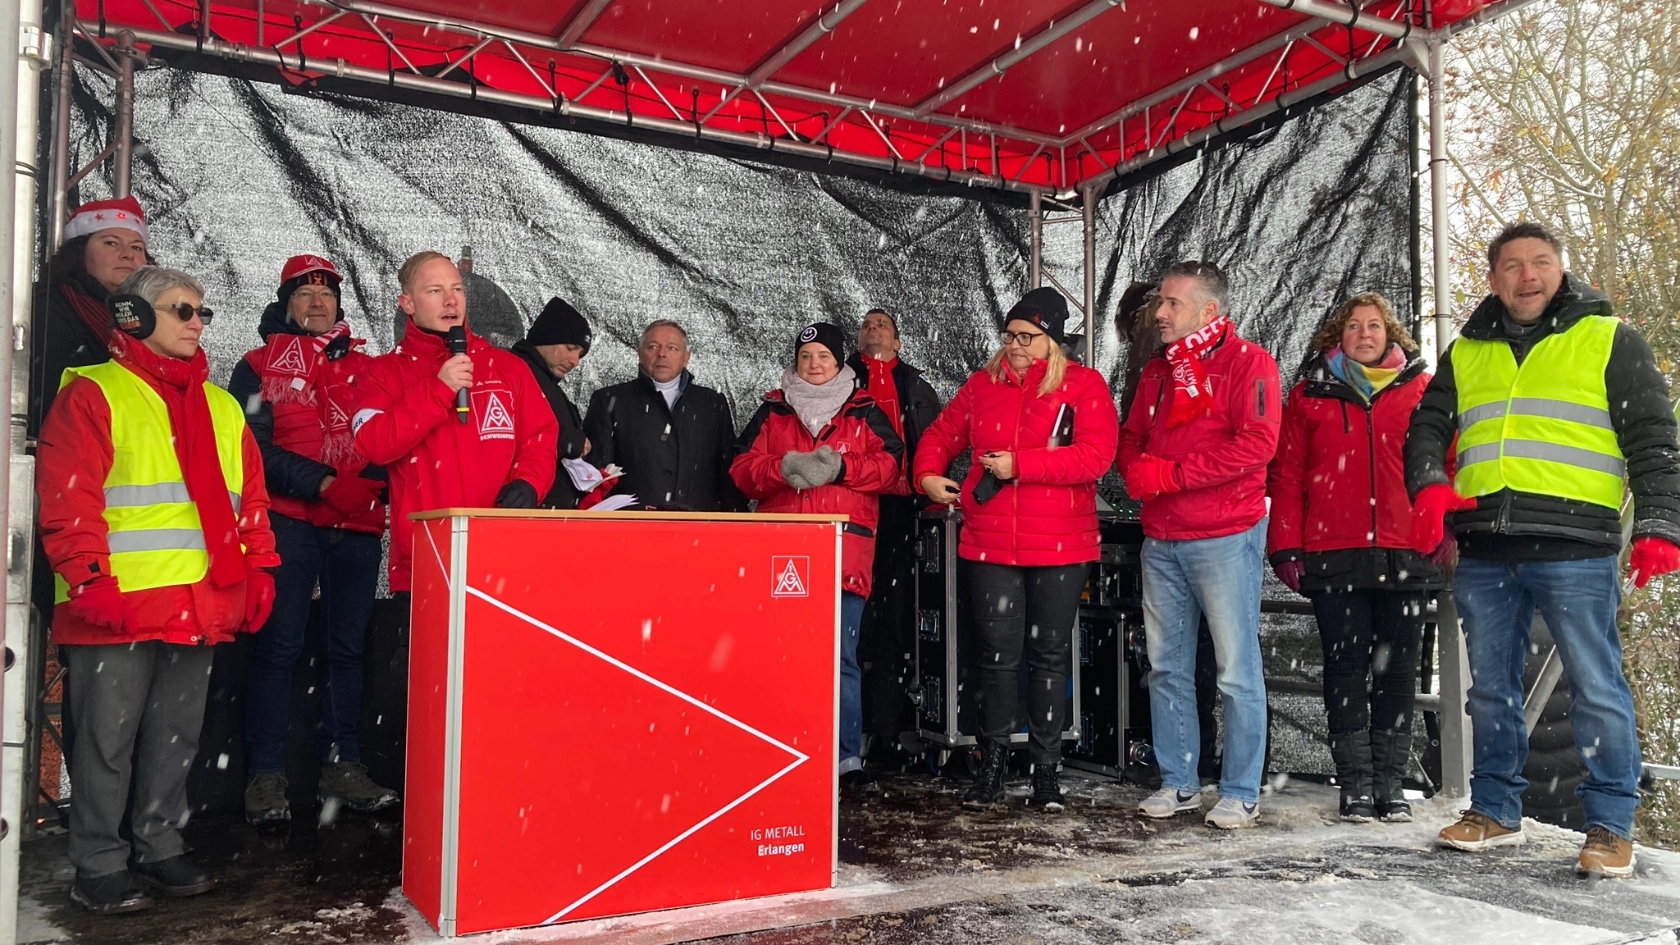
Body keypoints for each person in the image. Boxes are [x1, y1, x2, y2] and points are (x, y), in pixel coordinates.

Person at [1405, 222, 1680, 877]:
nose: (1527, 276)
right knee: (1489, 691)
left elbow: (1653, 436)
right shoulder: (1466, 351)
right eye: (1511, 265)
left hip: (1576, 546)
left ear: (1561, 269)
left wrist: (1660, 524)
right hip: (1485, 549)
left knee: (1597, 686)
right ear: (1494, 278)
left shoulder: (1610, 338)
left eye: (1540, 262)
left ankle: (1611, 825)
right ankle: (1494, 810)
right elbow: (1427, 426)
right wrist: (1429, 486)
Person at [38, 266, 279, 914]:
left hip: (199, 602)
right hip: (117, 603)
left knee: (176, 737)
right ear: (135, 317)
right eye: (183, 310)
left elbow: (249, 502)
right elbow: (69, 495)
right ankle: (97, 862)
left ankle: (158, 845)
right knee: (104, 742)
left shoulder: (224, 408)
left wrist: (261, 570)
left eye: (202, 312)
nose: (198, 322)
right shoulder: (94, 393)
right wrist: (88, 579)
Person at [914, 288, 1119, 812]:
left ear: (1052, 341)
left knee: (1049, 660)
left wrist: (1021, 466)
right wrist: (928, 474)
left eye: (1027, 336)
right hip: (990, 545)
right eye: (1010, 335)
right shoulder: (984, 384)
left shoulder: (1085, 386)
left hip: (1059, 545)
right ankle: (993, 765)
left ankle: (1047, 773)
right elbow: (941, 432)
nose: (1016, 345)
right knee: (996, 660)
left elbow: (1095, 458)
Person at [229, 255, 395, 826]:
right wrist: (323, 483)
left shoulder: (370, 367)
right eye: (305, 292)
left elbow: (391, 440)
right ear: (285, 302)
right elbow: (252, 448)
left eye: (326, 292)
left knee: (347, 650)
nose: (317, 301)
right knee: (280, 647)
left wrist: (370, 487)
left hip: (356, 527)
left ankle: (341, 764)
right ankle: (266, 774)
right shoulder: (255, 366)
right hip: (290, 522)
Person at [1267, 292, 1443, 824]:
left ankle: (1391, 786)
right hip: (1334, 551)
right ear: (1336, 338)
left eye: (1374, 325)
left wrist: (1442, 529)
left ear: (1391, 335)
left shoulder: (1422, 391)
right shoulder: (1307, 396)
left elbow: (1444, 463)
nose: (1364, 334)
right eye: (1352, 327)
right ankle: (1356, 786)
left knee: (1398, 673)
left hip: (1405, 551)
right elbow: (1288, 475)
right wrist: (1286, 546)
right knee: (1345, 669)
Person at [1117, 261, 1280, 830]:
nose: (1159, 313)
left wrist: (1169, 476)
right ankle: (1179, 782)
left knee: (1236, 671)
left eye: (1172, 304)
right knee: (1166, 667)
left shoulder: (1250, 364)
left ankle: (1240, 790)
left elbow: (1256, 446)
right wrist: (1138, 470)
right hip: (1162, 537)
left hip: (1224, 535)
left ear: (1210, 311)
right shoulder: (1159, 372)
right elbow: (1131, 439)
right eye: (1160, 303)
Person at [732, 323, 904, 790]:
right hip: (785, 558)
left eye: (823, 356)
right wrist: (781, 469)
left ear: (839, 362)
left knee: (841, 659)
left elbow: (891, 467)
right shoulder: (772, 410)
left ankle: (847, 758)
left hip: (844, 553)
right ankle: (785, 752)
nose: (813, 364)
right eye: (805, 356)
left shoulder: (864, 410)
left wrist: (843, 466)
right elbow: (741, 469)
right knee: (781, 659)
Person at [351, 250, 558, 598]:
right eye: (435, 291)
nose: (450, 300)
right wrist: (438, 389)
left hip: (499, 559)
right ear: (408, 303)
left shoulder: (506, 368)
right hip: (426, 562)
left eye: (457, 289)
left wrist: (529, 483)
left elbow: (540, 437)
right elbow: (373, 443)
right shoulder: (381, 374)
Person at [844, 308, 942, 761]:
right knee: (852, 616)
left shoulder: (916, 386)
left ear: (899, 342)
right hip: (856, 504)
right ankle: (851, 727)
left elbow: (936, 442)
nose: (874, 328)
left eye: (883, 324)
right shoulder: (840, 379)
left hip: (902, 508)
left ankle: (887, 727)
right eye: (866, 324)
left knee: (896, 617)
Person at [584, 320, 746, 511]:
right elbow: (598, 474)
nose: (662, 354)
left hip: (699, 526)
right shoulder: (610, 400)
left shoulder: (712, 403)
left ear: (686, 357)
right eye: (653, 347)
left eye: (672, 348)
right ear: (639, 353)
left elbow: (726, 473)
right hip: (630, 527)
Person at [30, 196, 153, 433]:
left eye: (137, 247)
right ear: (78, 253)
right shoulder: (47, 306)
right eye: (111, 243)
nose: (128, 254)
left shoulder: (157, 316)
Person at [509, 297, 593, 508]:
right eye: (570, 347)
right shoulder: (519, 372)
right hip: (528, 504)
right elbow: (515, 429)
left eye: (580, 354)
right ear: (547, 337)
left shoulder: (543, 378)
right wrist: (571, 442)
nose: (575, 361)